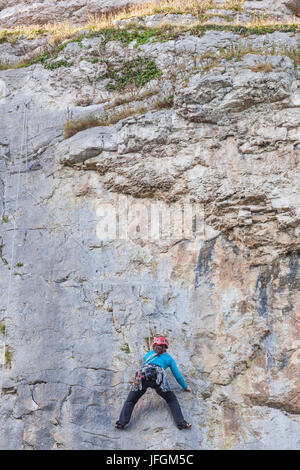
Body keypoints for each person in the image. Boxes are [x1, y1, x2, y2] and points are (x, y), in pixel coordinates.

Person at [115, 336, 191, 430]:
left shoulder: (148, 354)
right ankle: (181, 423)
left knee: (130, 401)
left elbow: (149, 360)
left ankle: (121, 423)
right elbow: (177, 375)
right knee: (171, 400)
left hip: (143, 377)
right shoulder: (169, 358)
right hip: (158, 378)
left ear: (154, 345)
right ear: (165, 347)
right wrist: (185, 386)